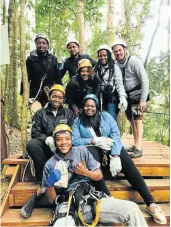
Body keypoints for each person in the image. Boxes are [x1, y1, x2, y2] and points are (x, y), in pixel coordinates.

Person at [72, 94, 167, 225]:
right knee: (88, 151)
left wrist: (115, 155)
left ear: (97, 106)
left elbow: (115, 136)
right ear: (83, 107)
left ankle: (150, 203)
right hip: (94, 154)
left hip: (110, 149)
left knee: (126, 158)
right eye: (87, 106)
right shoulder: (77, 121)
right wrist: (93, 140)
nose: (90, 108)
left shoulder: (106, 116)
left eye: (92, 106)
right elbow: (75, 141)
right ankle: (107, 196)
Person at [41, 123, 148, 227]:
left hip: (91, 199)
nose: (64, 142)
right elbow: (52, 200)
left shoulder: (82, 151)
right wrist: (50, 183)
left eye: (67, 139)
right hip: (68, 206)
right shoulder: (50, 165)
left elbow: (99, 176)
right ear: (55, 142)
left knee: (132, 208)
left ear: (71, 140)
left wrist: (86, 172)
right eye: (59, 139)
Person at [20, 84, 74, 219]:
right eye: (54, 96)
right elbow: (35, 133)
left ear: (64, 99)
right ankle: (45, 179)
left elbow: (74, 133)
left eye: (60, 97)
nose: (56, 99)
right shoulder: (40, 113)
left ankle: (45, 192)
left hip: (64, 149)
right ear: (49, 97)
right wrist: (47, 139)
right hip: (47, 149)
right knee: (32, 145)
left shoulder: (69, 113)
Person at [111, 39, 149, 158]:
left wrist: (143, 99)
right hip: (127, 97)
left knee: (138, 120)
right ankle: (135, 144)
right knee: (132, 121)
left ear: (125, 49)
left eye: (120, 50)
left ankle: (139, 147)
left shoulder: (134, 61)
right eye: (115, 51)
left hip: (138, 95)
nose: (118, 53)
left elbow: (144, 80)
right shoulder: (116, 64)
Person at [20, 33, 62, 107]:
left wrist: (61, 91)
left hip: (50, 93)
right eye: (38, 43)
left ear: (47, 45)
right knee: (36, 113)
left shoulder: (53, 59)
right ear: (35, 44)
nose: (41, 45)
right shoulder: (30, 59)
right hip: (35, 94)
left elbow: (57, 77)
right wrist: (23, 93)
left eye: (44, 43)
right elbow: (26, 78)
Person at [94, 44, 127, 120]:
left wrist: (122, 98)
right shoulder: (96, 68)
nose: (102, 57)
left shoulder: (115, 67)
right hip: (100, 97)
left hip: (112, 97)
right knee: (100, 119)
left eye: (104, 55)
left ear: (108, 55)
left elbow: (119, 84)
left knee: (111, 119)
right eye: (100, 56)